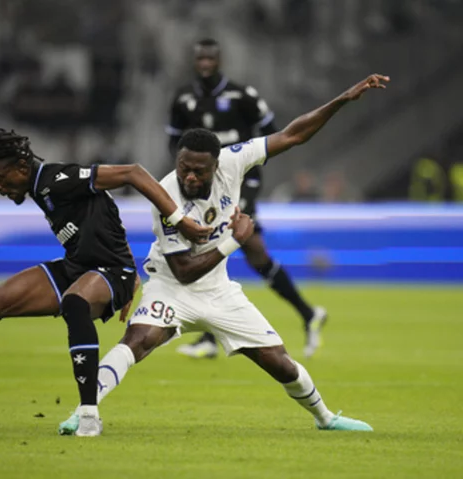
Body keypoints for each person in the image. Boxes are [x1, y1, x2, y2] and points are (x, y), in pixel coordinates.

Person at [59, 74, 389, 436]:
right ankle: (83, 410)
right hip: (172, 287)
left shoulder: (235, 160)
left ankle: (326, 418)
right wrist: (236, 241)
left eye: (199, 171)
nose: (190, 177)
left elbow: (293, 135)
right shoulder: (165, 193)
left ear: (217, 165)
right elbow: (184, 271)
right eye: (184, 167)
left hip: (219, 291)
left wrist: (341, 98)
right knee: (137, 342)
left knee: (278, 362)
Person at [0, 128, 213, 436]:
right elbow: (104, 217)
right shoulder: (38, 187)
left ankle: (89, 415)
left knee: (74, 302)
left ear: (22, 168)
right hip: (78, 267)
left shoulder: (58, 179)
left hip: (111, 271)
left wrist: (179, 220)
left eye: (0, 177)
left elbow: (133, 173)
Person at [168, 38, 327, 359]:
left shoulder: (242, 95)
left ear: (219, 59)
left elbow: (273, 133)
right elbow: (173, 144)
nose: (205, 63)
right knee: (251, 255)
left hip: (240, 183)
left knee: (220, 249)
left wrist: (246, 172)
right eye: (200, 58)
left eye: (210, 58)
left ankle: (213, 338)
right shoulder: (183, 99)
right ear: (194, 60)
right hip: (202, 187)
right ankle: (308, 314)